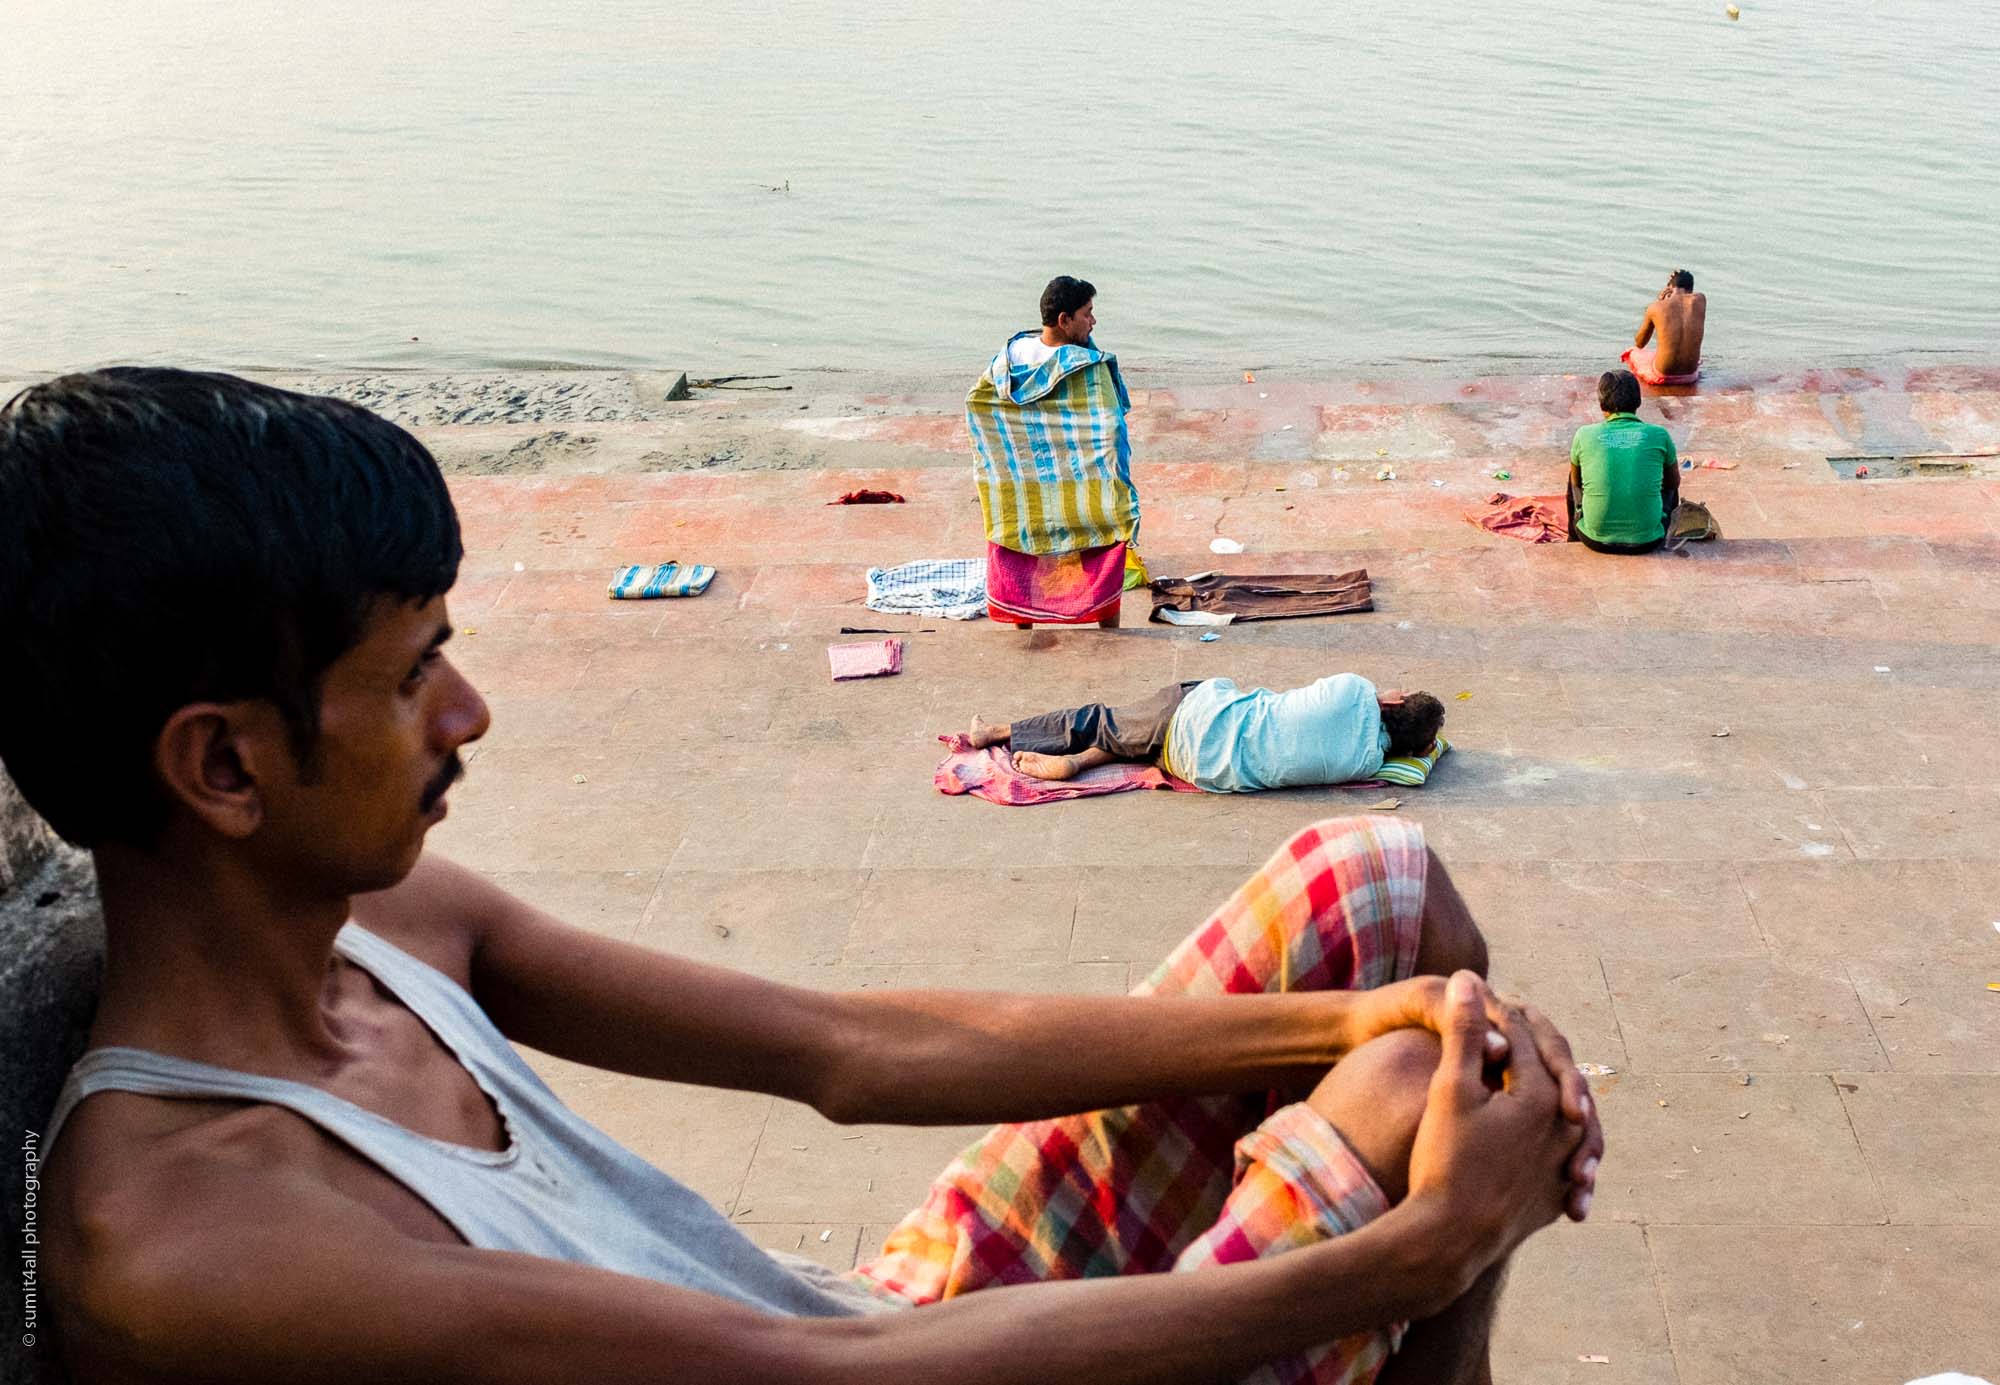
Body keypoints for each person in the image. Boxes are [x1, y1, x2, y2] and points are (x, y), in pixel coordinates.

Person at [5, 369, 1600, 1385]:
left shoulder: (395, 930)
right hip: (840, 1372)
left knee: (1384, 909)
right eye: (416, 672)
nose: (470, 712)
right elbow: (801, 1380)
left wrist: (1359, 1014)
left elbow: (854, 1050)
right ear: (221, 766)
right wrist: (1426, 1247)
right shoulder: (185, 1245)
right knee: (1423, 1107)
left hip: (850, 1318)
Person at [966, 276, 1146, 629]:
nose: (1093, 322)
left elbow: (979, 405)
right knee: (1100, 534)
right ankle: (1107, 624)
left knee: (1025, 538)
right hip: (1077, 482)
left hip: (1023, 484)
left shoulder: (1009, 360)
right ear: (1064, 320)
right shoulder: (1087, 368)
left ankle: (1024, 622)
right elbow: (1108, 427)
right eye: (1087, 314)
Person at [969, 675, 1444, 790]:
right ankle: (1079, 760)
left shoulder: (1354, 690)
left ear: (1395, 701)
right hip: (1203, 771)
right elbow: (1422, 755)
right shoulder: (1367, 764)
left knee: (1099, 717)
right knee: (1143, 739)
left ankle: (995, 732)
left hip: (1197, 719)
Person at [1567, 369, 1680, 555]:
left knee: (1575, 472)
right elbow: (1673, 484)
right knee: (1666, 477)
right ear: (1638, 402)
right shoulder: (1659, 434)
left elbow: (1576, 483)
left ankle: (1573, 534)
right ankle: (1666, 529)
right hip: (1649, 541)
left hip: (1595, 540)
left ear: (1601, 403)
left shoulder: (1584, 434)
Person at [1622, 269, 1706, 385]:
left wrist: (1659, 301)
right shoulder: (1700, 300)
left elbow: (1639, 343)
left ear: (1669, 287)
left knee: (1633, 352)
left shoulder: (1655, 307)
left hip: (1663, 375)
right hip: (1690, 375)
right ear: (1691, 289)